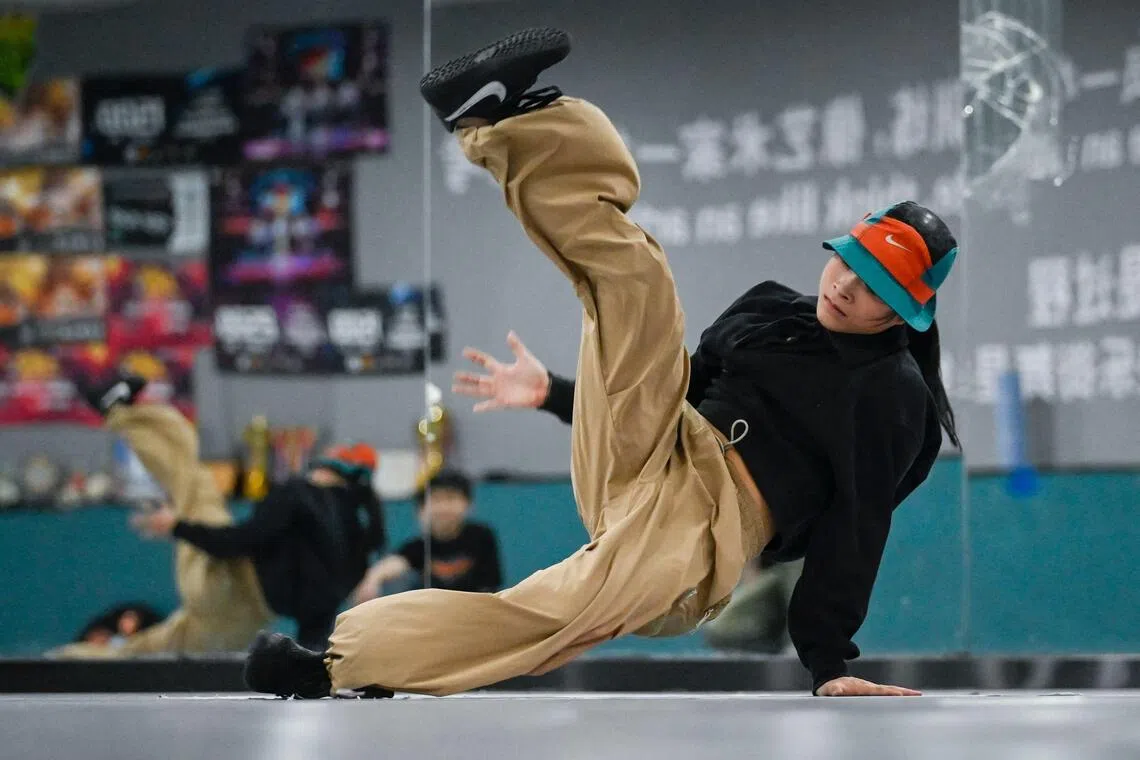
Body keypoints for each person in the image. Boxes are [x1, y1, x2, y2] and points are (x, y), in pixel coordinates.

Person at [243, 27, 959, 699]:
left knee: (561, 607)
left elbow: (857, 523)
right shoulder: (773, 310)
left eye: (872, 290)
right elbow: (659, 379)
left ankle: (339, 665)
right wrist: (556, 394)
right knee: (638, 280)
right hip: (662, 443)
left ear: (900, 314)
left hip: (705, 530)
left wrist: (828, 657)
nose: (844, 286)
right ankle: (507, 120)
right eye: (849, 264)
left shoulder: (893, 394)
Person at [53, 375, 386, 656]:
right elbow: (319, 620)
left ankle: (119, 411)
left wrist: (178, 526)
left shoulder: (300, 494)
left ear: (327, 468)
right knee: (154, 646)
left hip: (224, 584)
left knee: (190, 477)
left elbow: (235, 543)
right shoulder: (361, 537)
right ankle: (74, 657)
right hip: (243, 623)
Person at [351, 469, 503, 604]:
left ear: (468, 504)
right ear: (421, 509)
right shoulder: (420, 546)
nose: (443, 507)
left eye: (450, 499)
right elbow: (397, 562)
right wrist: (372, 579)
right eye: (436, 499)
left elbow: (491, 587)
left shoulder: (482, 536)